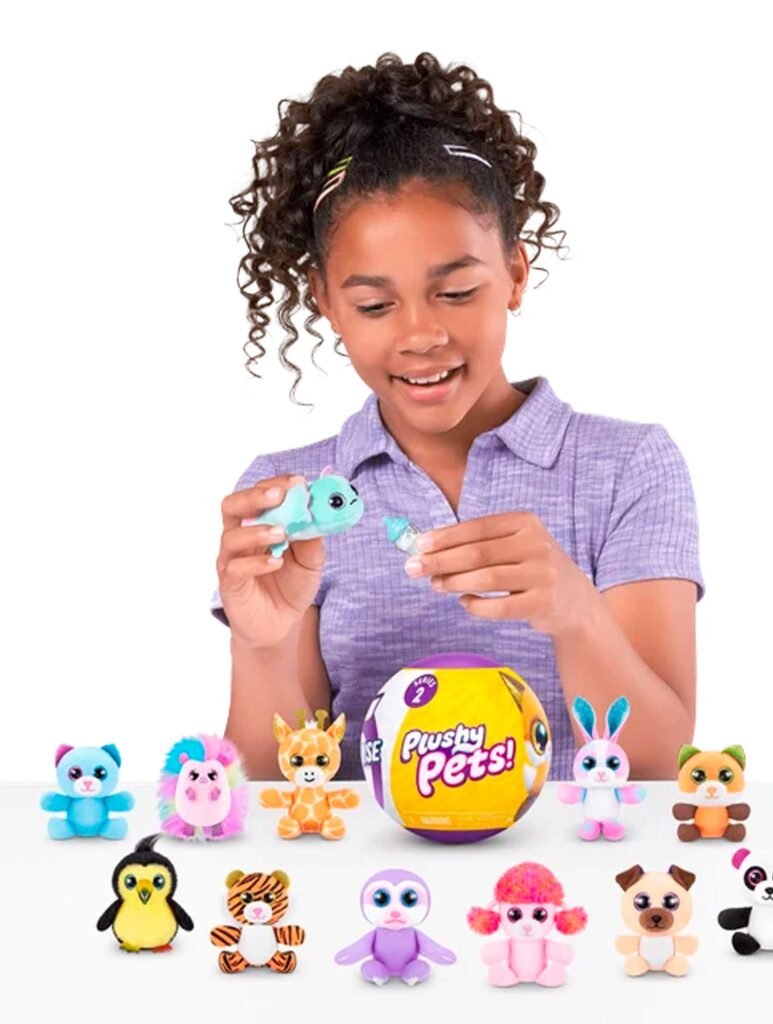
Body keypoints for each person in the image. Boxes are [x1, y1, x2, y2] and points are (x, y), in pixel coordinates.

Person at [211, 51, 704, 782]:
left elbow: (664, 769)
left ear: (515, 273)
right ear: (325, 302)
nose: (420, 335)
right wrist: (262, 643)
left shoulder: (626, 467)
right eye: (374, 305)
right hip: (369, 861)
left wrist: (576, 614)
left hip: (571, 859)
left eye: (456, 292)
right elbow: (266, 790)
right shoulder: (293, 497)